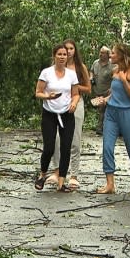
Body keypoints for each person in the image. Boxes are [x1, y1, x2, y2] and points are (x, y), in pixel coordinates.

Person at [93, 43, 130, 194]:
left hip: (128, 113)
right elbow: (115, 93)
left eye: (113, 54)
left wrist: (124, 81)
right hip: (111, 113)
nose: (110, 56)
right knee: (107, 147)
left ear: (122, 55)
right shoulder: (116, 70)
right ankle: (110, 184)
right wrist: (106, 99)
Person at [46, 39, 91, 190]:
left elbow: (88, 88)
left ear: (75, 51)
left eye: (72, 49)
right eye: (66, 49)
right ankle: (57, 170)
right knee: (57, 139)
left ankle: (74, 175)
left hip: (75, 104)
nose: (69, 52)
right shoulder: (56, 68)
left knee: (75, 140)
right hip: (58, 106)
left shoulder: (80, 67)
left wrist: (74, 87)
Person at [34, 44, 80, 192]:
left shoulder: (71, 74)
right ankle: (42, 175)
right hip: (50, 114)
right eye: (59, 54)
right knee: (49, 147)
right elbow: (38, 92)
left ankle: (61, 182)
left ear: (68, 57)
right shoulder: (46, 73)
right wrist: (48, 96)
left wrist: (74, 102)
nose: (62, 57)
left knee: (66, 148)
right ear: (54, 56)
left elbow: (76, 93)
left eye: (64, 55)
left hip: (67, 114)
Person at [90, 46, 114, 135]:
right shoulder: (95, 62)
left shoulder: (112, 65)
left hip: (107, 92)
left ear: (108, 55)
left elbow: (115, 77)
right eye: (100, 52)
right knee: (100, 110)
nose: (100, 54)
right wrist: (91, 78)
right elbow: (91, 71)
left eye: (103, 53)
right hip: (97, 91)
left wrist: (112, 89)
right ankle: (101, 127)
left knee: (105, 110)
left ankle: (102, 128)